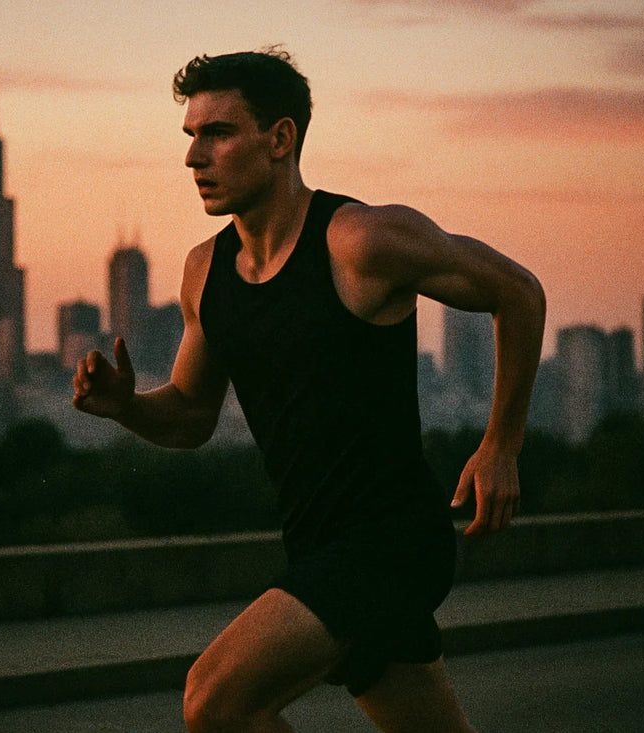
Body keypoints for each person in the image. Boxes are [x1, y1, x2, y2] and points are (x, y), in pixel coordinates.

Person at [73, 49, 545, 733]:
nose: (194, 158)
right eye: (190, 136)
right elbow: (192, 414)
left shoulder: (359, 241)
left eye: (219, 133)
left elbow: (518, 292)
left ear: (281, 138)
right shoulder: (206, 273)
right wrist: (128, 407)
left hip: (393, 543)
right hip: (317, 546)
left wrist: (501, 444)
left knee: (216, 697)